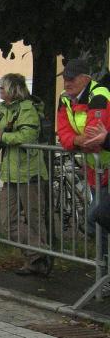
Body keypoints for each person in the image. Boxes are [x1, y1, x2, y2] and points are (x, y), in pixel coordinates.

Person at [0, 73, 50, 276]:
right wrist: (0, 135)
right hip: (10, 173)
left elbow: (28, 136)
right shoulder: (3, 110)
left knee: (34, 219)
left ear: (13, 89)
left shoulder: (27, 108)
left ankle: (36, 262)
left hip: (30, 172)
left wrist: (3, 136)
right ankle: (39, 252)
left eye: (2, 87)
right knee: (7, 222)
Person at [57, 58, 110, 238]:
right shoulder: (65, 98)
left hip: (106, 167)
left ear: (86, 79)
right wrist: (77, 141)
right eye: (65, 78)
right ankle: (102, 255)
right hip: (94, 169)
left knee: (96, 217)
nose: (67, 83)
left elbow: (94, 139)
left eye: (71, 79)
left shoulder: (99, 95)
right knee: (100, 222)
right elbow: (63, 133)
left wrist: (77, 141)